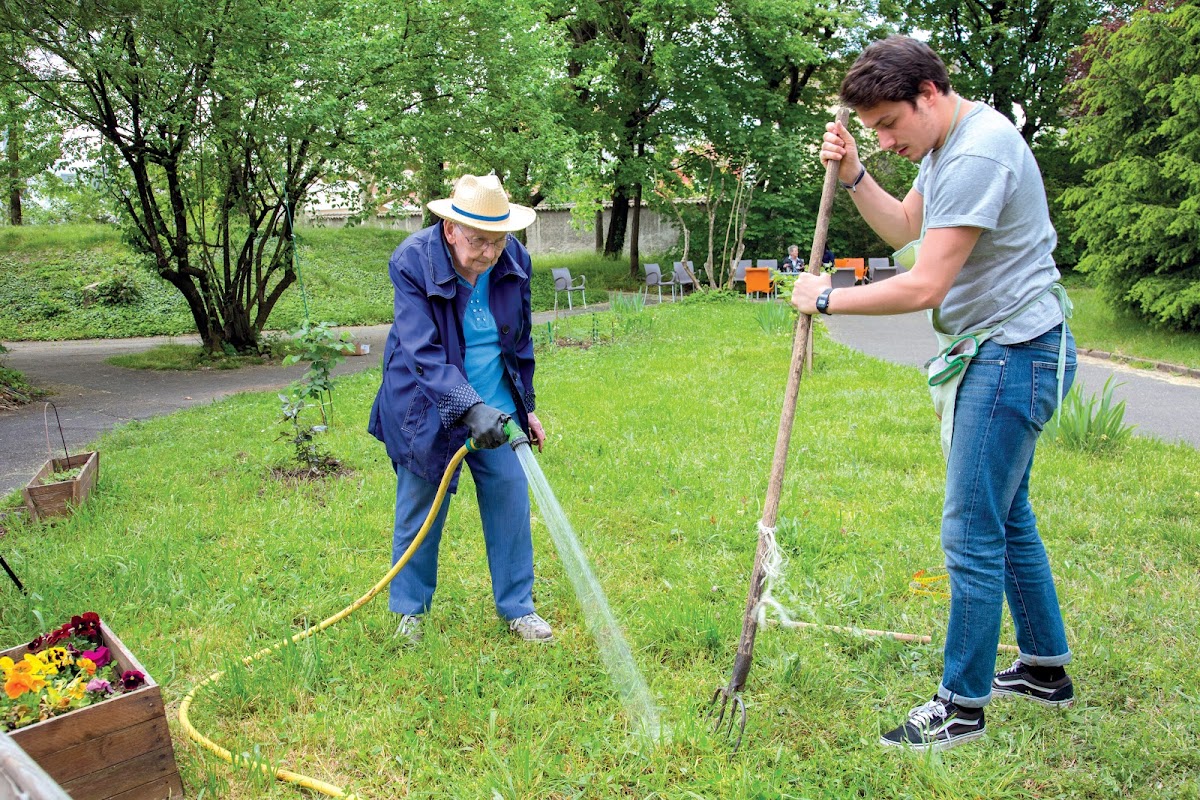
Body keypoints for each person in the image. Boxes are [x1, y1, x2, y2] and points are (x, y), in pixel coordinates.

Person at [791, 36, 1076, 751]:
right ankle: (1044, 669)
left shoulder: (978, 151)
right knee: (1007, 518)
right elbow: (908, 228)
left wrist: (826, 300)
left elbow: (925, 285)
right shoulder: (950, 144)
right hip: (1013, 348)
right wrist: (856, 175)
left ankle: (960, 707)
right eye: (872, 131)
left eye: (888, 124)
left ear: (928, 94)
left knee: (972, 530)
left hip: (1013, 355)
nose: (884, 139)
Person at [368, 174, 553, 645]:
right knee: (420, 507)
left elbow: (519, 340)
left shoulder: (515, 260)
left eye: (499, 240)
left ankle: (518, 608)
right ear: (450, 229)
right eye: (478, 242)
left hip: (497, 406)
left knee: (510, 496)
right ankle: (409, 612)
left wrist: (524, 407)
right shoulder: (413, 261)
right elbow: (421, 351)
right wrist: (466, 408)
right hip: (426, 405)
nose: (489, 253)